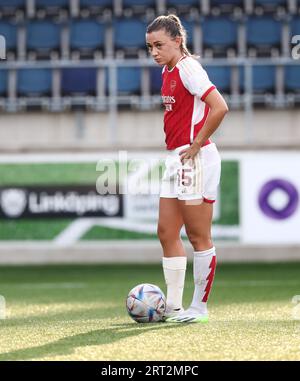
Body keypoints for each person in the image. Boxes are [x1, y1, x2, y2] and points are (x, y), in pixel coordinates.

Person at [146, 15, 229, 323]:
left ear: (177, 41)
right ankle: (174, 306)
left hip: (196, 158)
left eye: (159, 45)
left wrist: (195, 146)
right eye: (150, 47)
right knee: (166, 231)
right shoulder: (167, 70)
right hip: (176, 158)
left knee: (198, 235)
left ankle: (199, 308)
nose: (154, 52)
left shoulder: (188, 68)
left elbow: (220, 106)